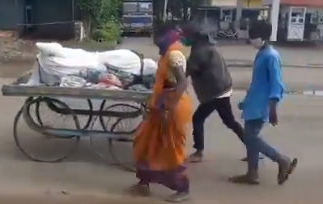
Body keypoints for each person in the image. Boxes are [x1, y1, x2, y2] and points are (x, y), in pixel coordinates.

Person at [228, 19, 298, 185]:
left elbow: (276, 83)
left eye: (253, 36)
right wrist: (246, 102)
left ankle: (281, 160)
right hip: (254, 103)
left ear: (263, 37)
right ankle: (252, 173)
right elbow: (258, 82)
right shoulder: (262, 53)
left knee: (251, 138)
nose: (251, 39)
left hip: (262, 105)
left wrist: (273, 107)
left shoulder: (271, 56)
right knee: (250, 137)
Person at [127, 29, 192, 202]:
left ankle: (182, 189)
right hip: (160, 107)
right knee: (146, 143)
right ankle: (143, 183)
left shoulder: (174, 54)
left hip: (171, 108)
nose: (155, 40)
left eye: (157, 36)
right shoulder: (166, 54)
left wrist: (169, 107)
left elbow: (182, 81)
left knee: (170, 149)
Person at [180, 23, 260, 163]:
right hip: (223, 88)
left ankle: (199, 152)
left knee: (198, 118)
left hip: (215, 92)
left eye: (185, 35)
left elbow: (188, 71)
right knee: (230, 122)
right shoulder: (206, 46)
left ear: (193, 37)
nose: (183, 38)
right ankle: (254, 148)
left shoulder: (199, 51)